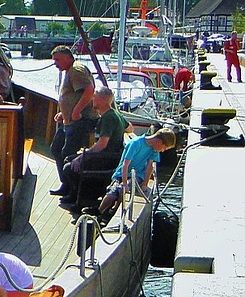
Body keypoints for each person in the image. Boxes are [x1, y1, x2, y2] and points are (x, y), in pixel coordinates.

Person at [58, 85, 127, 207]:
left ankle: (85, 198)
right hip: (111, 156)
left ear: (101, 100)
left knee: (69, 167)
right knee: (68, 159)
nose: (92, 100)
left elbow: (102, 144)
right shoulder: (116, 115)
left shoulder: (108, 118)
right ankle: (75, 194)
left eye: (94, 97)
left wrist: (81, 157)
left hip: (105, 159)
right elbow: (129, 127)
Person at [94, 127, 177, 220]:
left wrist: (145, 184)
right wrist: (124, 182)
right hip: (122, 173)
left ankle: (113, 210)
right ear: (159, 142)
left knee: (123, 189)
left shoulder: (154, 150)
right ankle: (99, 212)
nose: (162, 151)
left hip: (137, 174)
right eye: (164, 148)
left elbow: (150, 166)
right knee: (112, 192)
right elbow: (125, 165)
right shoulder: (136, 143)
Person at [49, 44, 96, 194]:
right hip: (68, 121)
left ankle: (74, 191)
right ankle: (66, 185)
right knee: (56, 148)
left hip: (78, 121)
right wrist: (64, 112)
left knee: (69, 154)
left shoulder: (76, 70)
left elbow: (89, 91)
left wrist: (76, 111)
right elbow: (72, 95)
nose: (55, 63)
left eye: (58, 59)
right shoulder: (69, 70)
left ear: (68, 58)